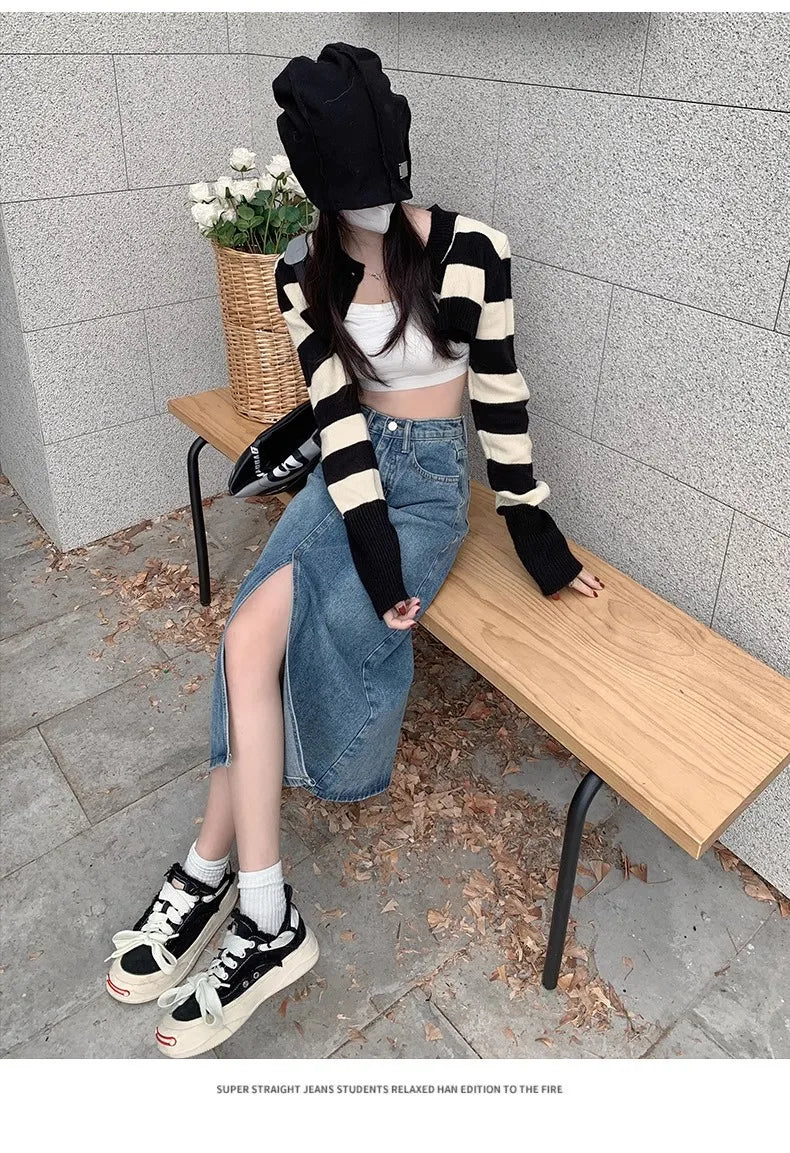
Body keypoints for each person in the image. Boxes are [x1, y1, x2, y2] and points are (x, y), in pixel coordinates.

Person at [104, 42, 604, 1059]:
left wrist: (539, 540)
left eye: (376, 180)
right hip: (349, 475)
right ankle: (255, 906)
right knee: (246, 640)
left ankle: (217, 881)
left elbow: (501, 403)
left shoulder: (473, 251)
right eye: (348, 187)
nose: (368, 205)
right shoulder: (303, 268)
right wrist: (371, 557)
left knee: (296, 636)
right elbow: (336, 420)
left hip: (426, 488)